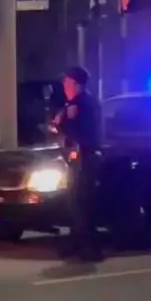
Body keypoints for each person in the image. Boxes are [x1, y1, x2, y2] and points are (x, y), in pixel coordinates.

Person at [52, 66, 104, 262]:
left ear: (75, 83)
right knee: (74, 202)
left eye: (66, 82)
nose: (64, 85)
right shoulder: (74, 103)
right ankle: (76, 243)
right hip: (78, 158)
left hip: (86, 157)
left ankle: (89, 248)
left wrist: (63, 123)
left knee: (82, 203)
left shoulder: (84, 103)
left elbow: (79, 133)